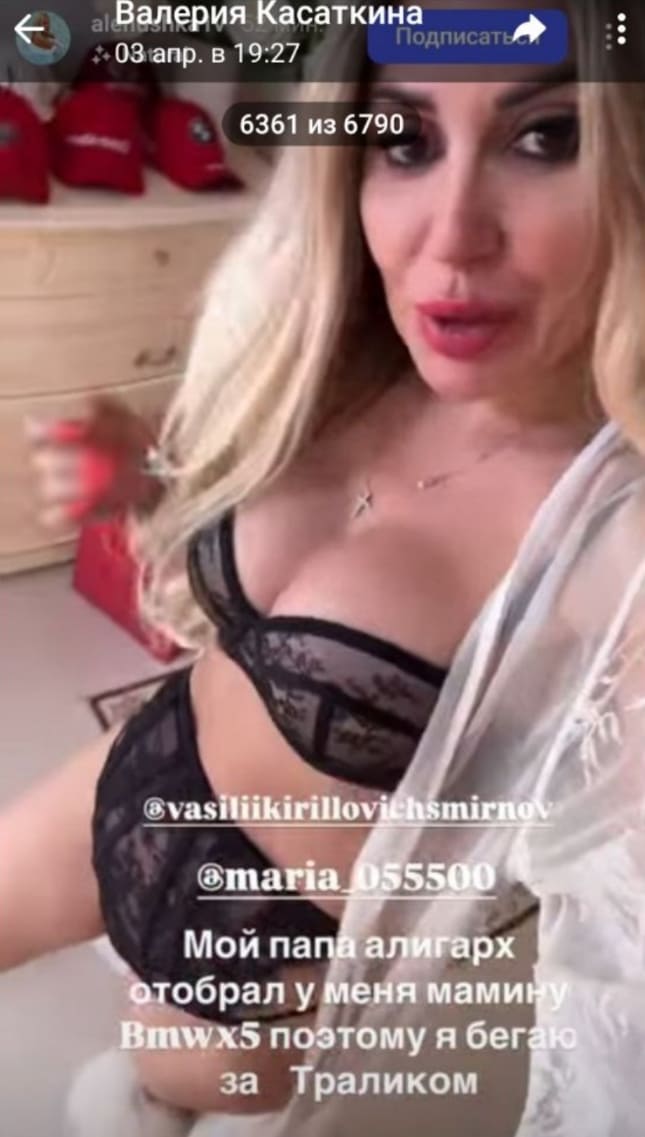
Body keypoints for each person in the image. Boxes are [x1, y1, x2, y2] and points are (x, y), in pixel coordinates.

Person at [4, 0, 645, 1133]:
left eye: (546, 136)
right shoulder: (339, 353)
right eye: (403, 139)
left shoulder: (618, 544)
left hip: (261, 960)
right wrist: (138, 479)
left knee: (137, 1094)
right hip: (137, 767)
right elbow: (236, 563)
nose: (451, 236)